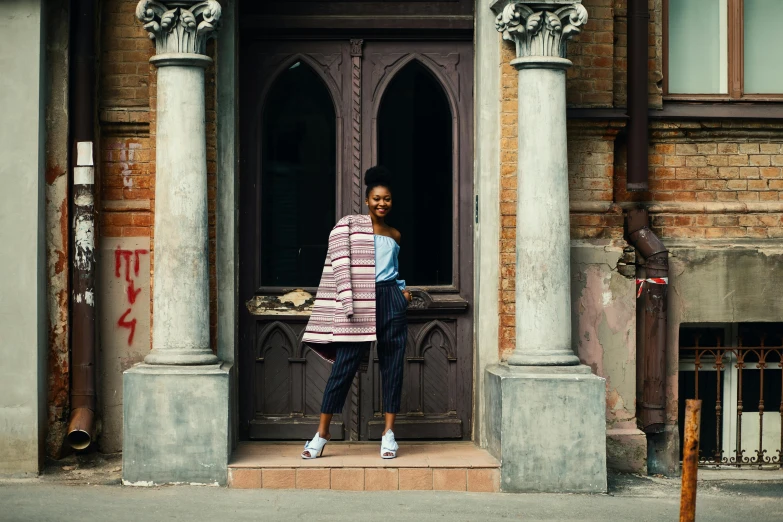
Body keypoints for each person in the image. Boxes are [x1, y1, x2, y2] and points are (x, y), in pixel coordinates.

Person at [301, 166, 412, 459]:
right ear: (367, 201)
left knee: (393, 366)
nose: (382, 203)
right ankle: (322, 433)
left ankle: (388, 434)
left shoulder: (395, 234)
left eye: (387, 199)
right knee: (344, 365)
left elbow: (393, 270)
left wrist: (402, 291)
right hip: (359, 301)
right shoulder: (350, 226)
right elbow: (340, 262)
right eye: (376, 198)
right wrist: (347, 300)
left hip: (390, 299)